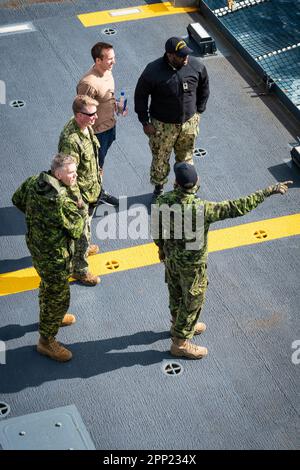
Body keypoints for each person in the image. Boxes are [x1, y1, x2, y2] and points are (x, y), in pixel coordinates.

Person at [153, 162, 292, 360]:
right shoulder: (202, 209)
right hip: (192, 266)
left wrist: (161, 249)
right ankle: (180, 343)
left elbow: (157, 229)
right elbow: (237, 207)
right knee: (193, 300)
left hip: (172, 260)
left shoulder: (163, 201)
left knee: (176, 292)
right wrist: (268, 191)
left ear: (176, 182)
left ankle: (179, 325)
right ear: (195, 183)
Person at [12, 154, 87, 362]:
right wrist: (77, 201)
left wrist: (39, 221)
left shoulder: (34, 181)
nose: (75, 175)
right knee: (59, 296)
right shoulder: (62, 200)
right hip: (55, 256)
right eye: (71, 173)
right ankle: (46, 341)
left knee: (47, 286)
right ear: (58, 174)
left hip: (36, 247)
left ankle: (52, 318)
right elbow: (77, 228)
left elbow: (17, 200)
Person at [134, 37, 210, 200]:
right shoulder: (153, 71)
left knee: (186, 158)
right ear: (170, 55)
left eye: (187, 55)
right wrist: (145, 121)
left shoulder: (196, 66)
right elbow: (140, 96)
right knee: (160, 157)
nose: (186, 58)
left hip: (189, 124)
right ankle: (159, 188)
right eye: (181, 56)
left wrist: (199, 111)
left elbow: (204, 87)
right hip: (162, 126)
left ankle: (186, 189)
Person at [58, 95, 101, 286]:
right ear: (78, 115)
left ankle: (82, 249)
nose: (95, 117)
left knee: (87, 225)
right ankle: (80, 270)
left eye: (95, 113)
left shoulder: (85, 126)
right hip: (81, 195)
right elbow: (69, 176)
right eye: (91, 114)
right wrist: (78, 200)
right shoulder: (71, 140)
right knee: (81, 231)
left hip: (91, 188)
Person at [77, 42, 120, 207]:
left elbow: (105, 96)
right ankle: (91, 196)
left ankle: (96, 191)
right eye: (109, 59)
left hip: (109, 127)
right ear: (97, 60)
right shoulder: (88, 83)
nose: (113, 62)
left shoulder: (108, 72)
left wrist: (115, 104)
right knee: (91, 166)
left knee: (99, 163)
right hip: (96, 133)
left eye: (114, 58)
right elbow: (81, 111)